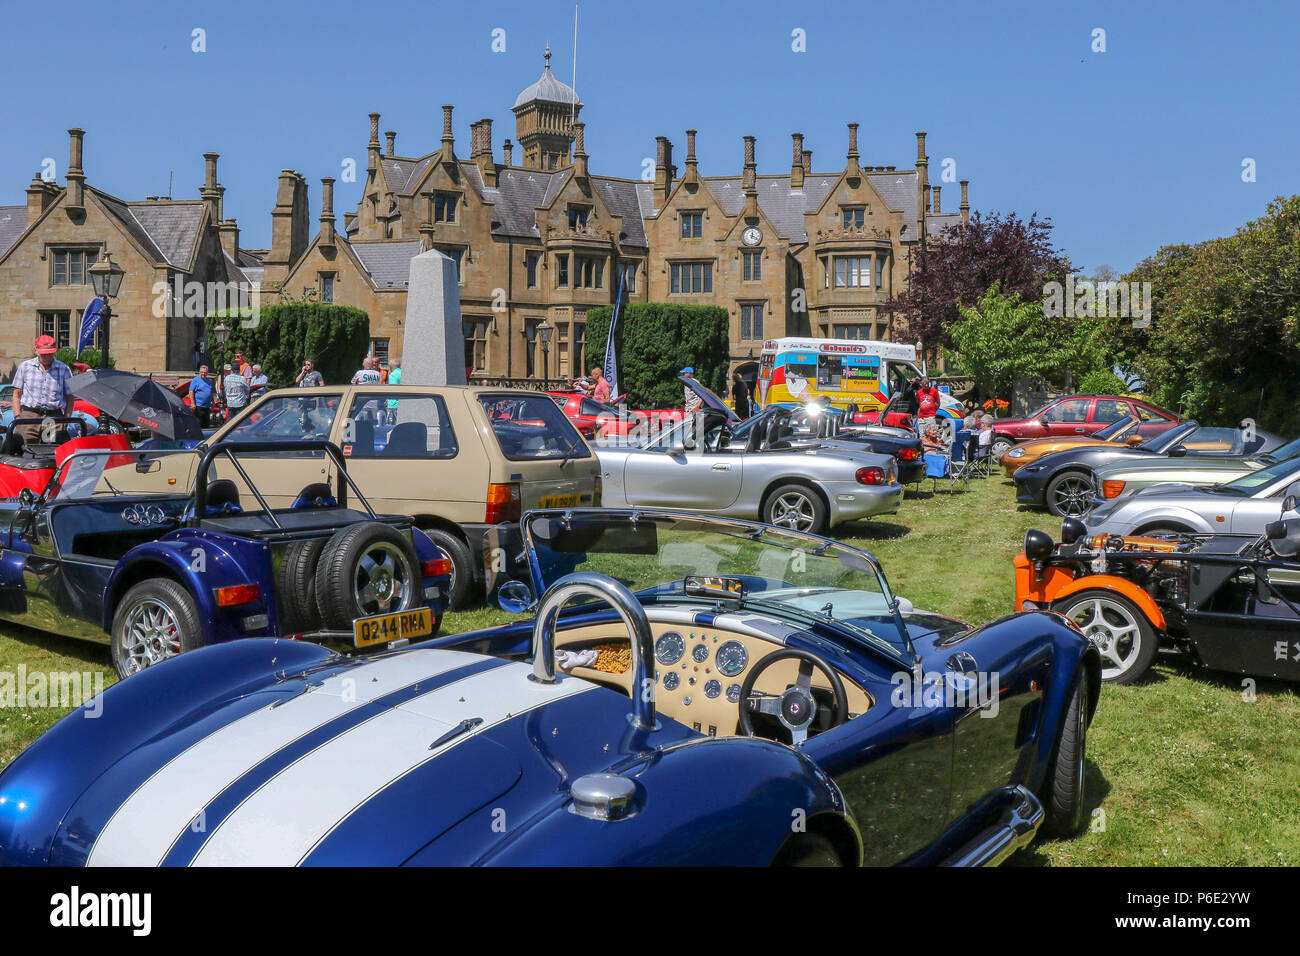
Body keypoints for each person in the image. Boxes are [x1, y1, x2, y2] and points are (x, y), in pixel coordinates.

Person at [11, 335, 75, 444]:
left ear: (54, 352)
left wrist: (66, 419)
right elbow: (17, 394)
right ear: (36, 351)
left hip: (53, 417)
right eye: (43, 354)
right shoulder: (25, 367)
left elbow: (70, 396)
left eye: (49, 353)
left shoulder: (64, 369)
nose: (46, 357)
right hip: (29, 416)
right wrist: (18, 416)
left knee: (51, 451)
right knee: (26, 449)